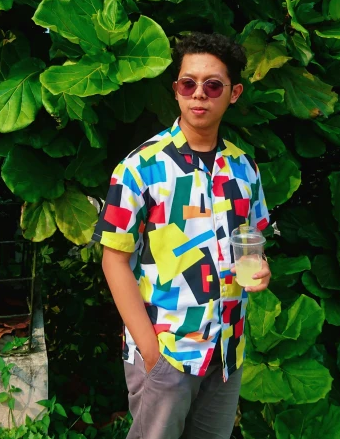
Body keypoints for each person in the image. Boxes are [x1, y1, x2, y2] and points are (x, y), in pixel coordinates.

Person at [91, 32, 272, 439]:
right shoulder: (140, 167)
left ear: (234, 93)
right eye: (187, 83)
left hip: (227, 352)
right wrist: (152, 352)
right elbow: (113, 259)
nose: (199, 95)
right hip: (166, 352)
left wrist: (262, 271)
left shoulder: (245, 170)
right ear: (175, 90)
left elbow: (255, 244)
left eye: (212, 86)